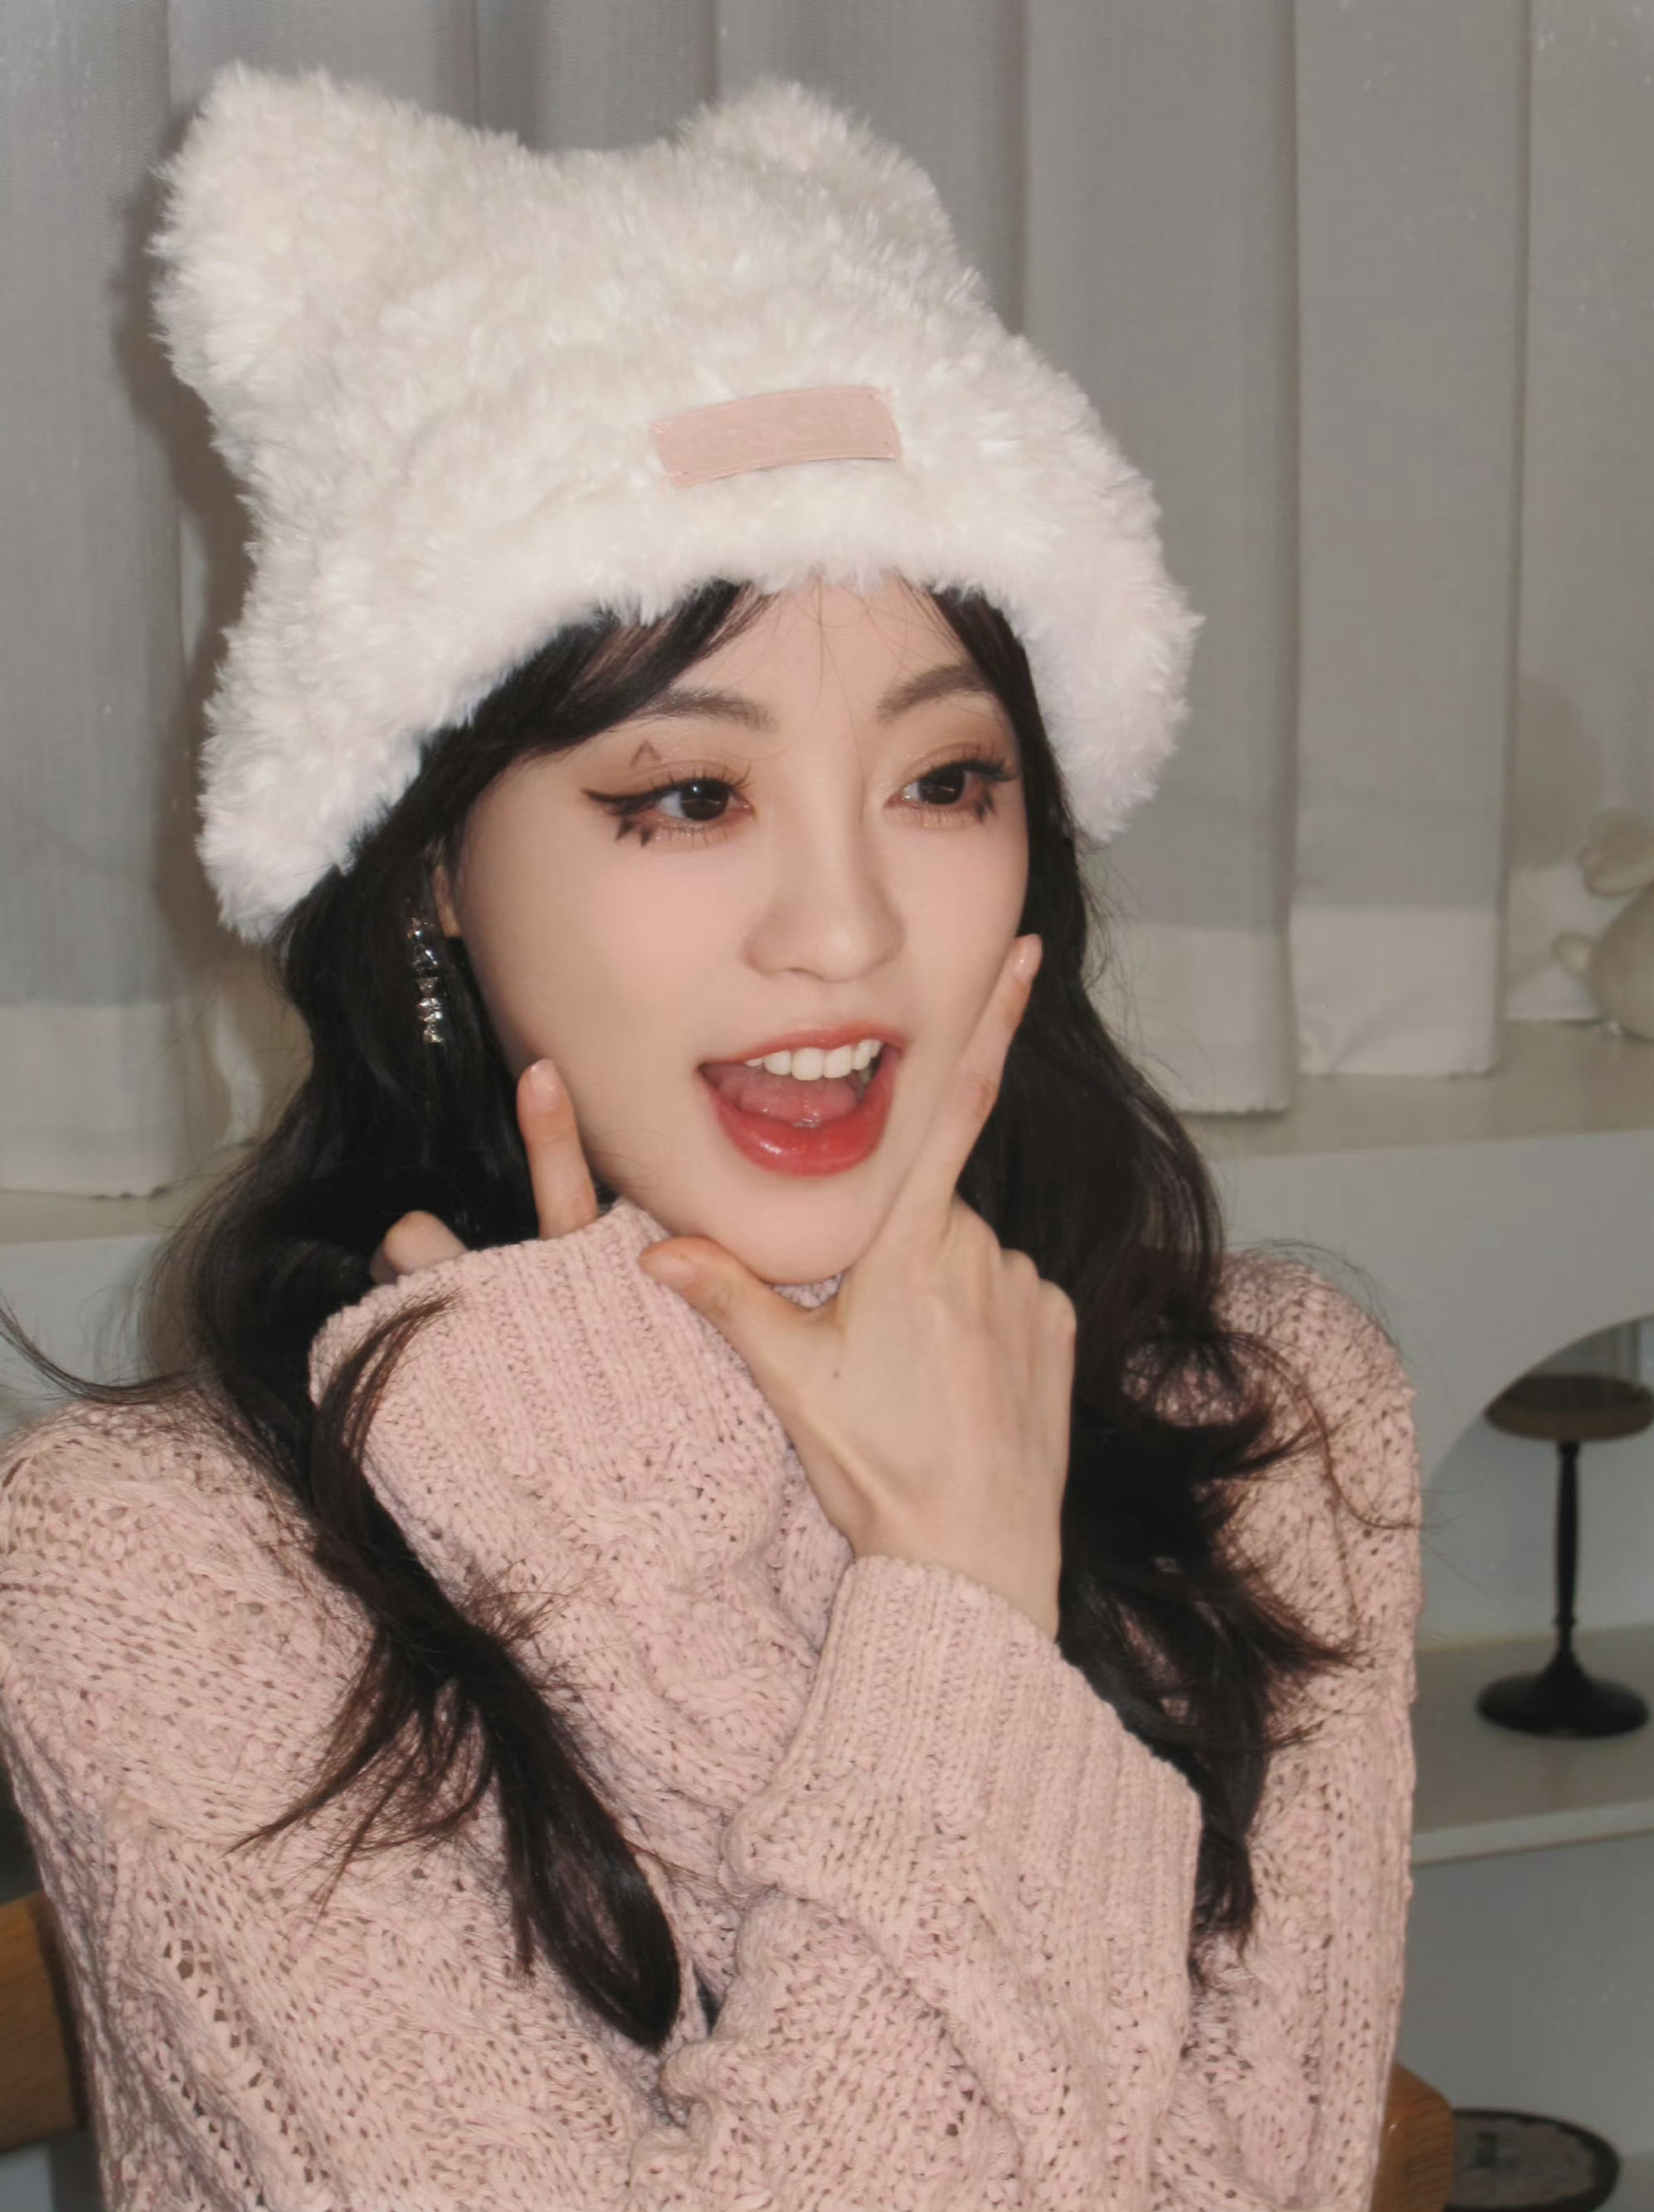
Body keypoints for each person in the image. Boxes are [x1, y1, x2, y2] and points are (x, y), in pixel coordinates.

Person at [0, 66, 1420, 2212]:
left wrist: (815, 1590)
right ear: (433, 865)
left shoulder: (1272, 1435)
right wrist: (918, 1607)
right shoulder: (157, 1573)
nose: (844, 930)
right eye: (687, 795)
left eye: (943, 782)